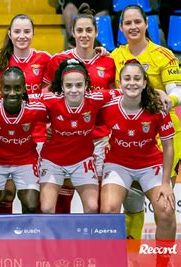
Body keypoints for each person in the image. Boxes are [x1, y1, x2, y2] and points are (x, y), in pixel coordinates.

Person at [111, 4, 181, 240]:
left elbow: (177, 92)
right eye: (127, 23)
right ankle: (132, 252)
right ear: (121, 28)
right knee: (132, 198)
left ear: (146, 23)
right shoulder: (115, 57)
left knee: (163, 199)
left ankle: (163, 259)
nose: (133, 27)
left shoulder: (163, 55)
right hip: (129, 135)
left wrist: (168, 98)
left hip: (165, 136)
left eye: (137, 22)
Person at [43, 3, 116, 214]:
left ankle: (95, 243)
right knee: (63, 195)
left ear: (96, 32)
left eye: (89, 30)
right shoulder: (59, 60)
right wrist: (49, 122)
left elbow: (113, 98)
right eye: (80, 30)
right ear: (72, 32)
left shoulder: (108, 61)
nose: (84, 35)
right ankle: (62, 243)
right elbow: (46, 94)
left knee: (97, 200)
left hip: (99, 139)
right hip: (67, 139)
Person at [99, 60, 176, 246]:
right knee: (108, 210)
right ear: (120, 82)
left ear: (144, 83)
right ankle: (112, 259)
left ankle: (163, 262)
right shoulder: (107, 107)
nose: (132, 82)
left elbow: (168, 146)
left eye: (136, 78)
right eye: (127, 78)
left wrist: (165, 183)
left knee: (166, 210)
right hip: (118, 164)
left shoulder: (157, 107)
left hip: (150, 165)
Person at [0, 14, 51, 213]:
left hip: (37, 134)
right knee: (7, 192)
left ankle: (32, 238)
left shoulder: (44, 59)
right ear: (10, 33)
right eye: (17, 31)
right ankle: (6, 239)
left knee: (33, 194)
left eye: (26, 31)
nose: (22, 36)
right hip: (7, 133)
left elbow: (50, 95)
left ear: (33, 33)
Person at [0, 66, 46, 213]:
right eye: (7, 88)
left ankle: (27, 235)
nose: (12, 93)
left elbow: (57, 100)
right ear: (1, 89)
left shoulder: (36, 107)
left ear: (24, 89)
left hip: (25, 160)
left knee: (31, 205)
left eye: (17, 88)